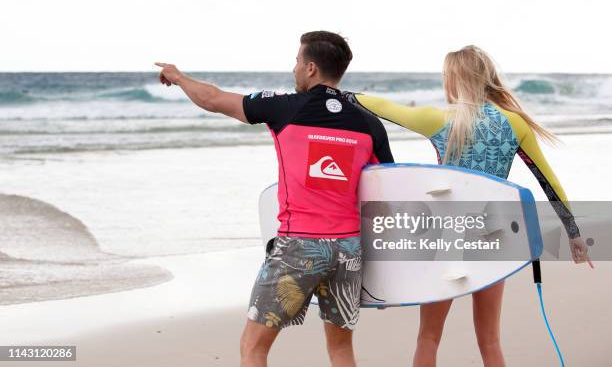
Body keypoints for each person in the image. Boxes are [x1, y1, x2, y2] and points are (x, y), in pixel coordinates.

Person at [341, 45, 593, 367]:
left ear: (455, 78)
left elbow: (381, 105)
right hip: (493, 238)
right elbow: (550, 183)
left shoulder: (440, 120)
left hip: (445, 240)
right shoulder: (514, 124)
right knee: (490, 340)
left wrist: (332, 94)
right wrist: (574, 235)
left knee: (428, 337)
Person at [155, 31, 394, 367]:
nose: (293, 68)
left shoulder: (285, 108)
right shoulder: (369, 124)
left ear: (311, 68)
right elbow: (386, 192)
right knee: (341, 349)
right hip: (348, 250)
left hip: (299, 248)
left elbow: (212, 99)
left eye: (297, 61)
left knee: (254, 347)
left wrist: (179, 77)